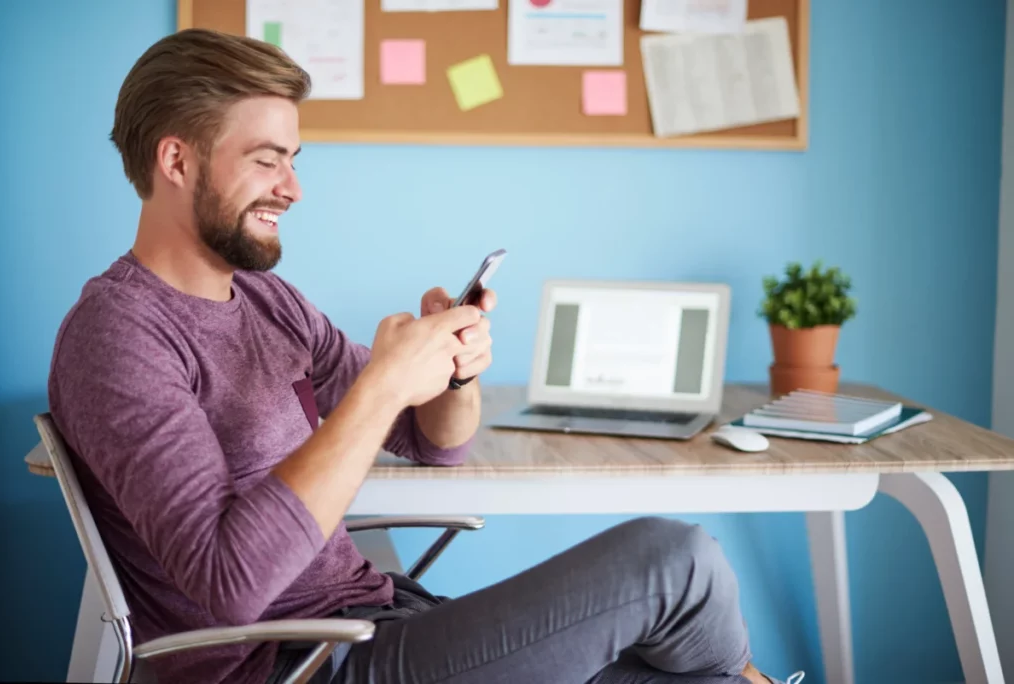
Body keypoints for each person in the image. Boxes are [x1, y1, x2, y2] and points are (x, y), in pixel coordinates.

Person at [47, 28, 804, 684]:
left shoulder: (267, 302)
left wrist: (453, 372)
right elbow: (229, 585)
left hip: (386, 625)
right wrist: (382, 382)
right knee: (675, 561)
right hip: (302, 664)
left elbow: (434, 444)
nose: (295, 188)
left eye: (296, 160)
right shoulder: (117, 337)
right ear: (175, 161)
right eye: (268, 161)